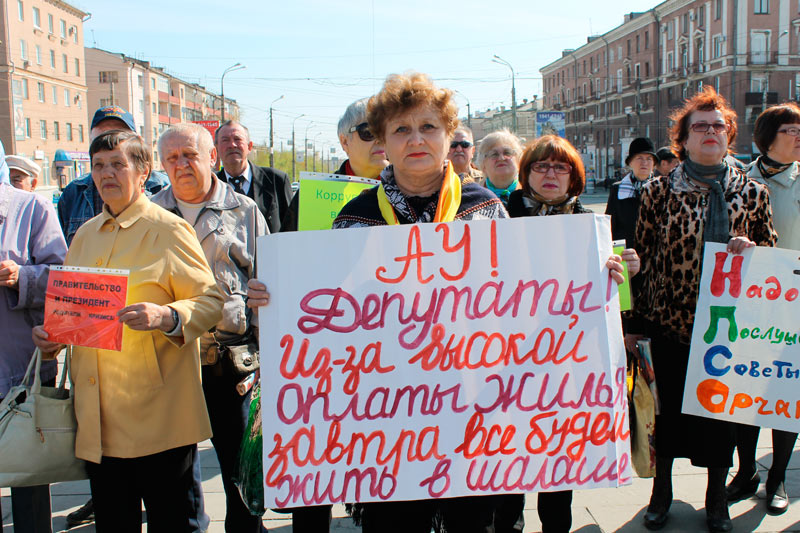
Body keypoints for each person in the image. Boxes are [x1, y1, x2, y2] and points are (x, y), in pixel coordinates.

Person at [247, 72, 629, 533]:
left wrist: (594, 277)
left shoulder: (485, 208)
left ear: (449, 137)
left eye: (429, 127)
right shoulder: (355, 218)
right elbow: (330, 315)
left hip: (475, 406)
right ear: (384, 142)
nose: (416, 140)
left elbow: (528, 294)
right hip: (385, 418)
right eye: (402, 129)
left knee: (473, 523)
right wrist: (278, 300)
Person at [32, 130, 224, 532]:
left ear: (143, 172)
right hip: (100, 420)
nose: (107, 174)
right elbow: (76, 315)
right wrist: (52, 341)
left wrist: (166, 315)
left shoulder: (169, 230)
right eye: (98, 166)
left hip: (159, 420)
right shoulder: (84, 235)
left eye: (118, 164)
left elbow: (210, 302)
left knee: (174, 524)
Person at [627, 87, 776, 533]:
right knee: (668, 415)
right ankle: (662, 492)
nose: (710, 132)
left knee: (720, 420)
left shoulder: (752, 193)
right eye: (700, 126)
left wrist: (752, 251)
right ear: (684, 139)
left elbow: (770, 257)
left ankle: (716, 498)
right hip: (669, 324)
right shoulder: (658, 191)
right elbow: (643, 258)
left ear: (728, 135)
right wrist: (634, 324)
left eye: (718, 126)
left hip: (726, 332)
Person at [506, 135, 640, 533]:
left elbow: (617, 304)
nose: (550, 174)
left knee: (558, 465)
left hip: (564, 367)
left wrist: (624, 276)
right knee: (504, 460)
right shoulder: (497, 216)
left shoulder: (591, 224)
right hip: (505, 358)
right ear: (526, 173)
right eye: (540, 166)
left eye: (559, 167)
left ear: (574, 176)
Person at [151, 123, 269, 532]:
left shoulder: (244, 210)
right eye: (172, 158)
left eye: (190, 155)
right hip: (168, 361)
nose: (182, 164)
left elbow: (269, 282)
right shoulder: (150, 214)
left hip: (230, 363)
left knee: (240, 473)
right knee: (175, 475)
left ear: (212, 157)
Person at [727, 102, 800, 514]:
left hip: (794, 304)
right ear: (768, 136)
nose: (799, 136)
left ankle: (777, 480)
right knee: (744, 392)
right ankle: (745, 472)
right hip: (747, 304)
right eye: (792, 129)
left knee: (786, 394)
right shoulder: (740, 180)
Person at [0, 154, 67, 533]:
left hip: (20, 367)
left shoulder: (30, 208)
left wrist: (21, 276)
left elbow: (64, 276)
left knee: (27, 481)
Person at [56, 106, 169, 247]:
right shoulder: (74, 194)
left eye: (118, 135)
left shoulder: (164, 188)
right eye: (102, 137)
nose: (109, 142)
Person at [280, 97, 390, 233]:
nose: (380, 140)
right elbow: (287, 249)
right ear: (344, 141)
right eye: (368, 132)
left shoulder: (411, 191)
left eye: (386, 131)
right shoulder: (311, 196)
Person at [215, 121, 292, 233]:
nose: (232, 145)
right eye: (225, 140)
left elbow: (291, 227)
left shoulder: (277, 180)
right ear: (216, 148)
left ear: (249, 146)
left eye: (237, 139)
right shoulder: (211, 185)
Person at [605, 137, 657, 250]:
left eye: (649, 159)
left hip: (653, 256)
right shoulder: (618, 189)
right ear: (630, 162)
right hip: (625, 254)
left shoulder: (661, 189)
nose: (645, 163)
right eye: (639, 158)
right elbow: (610, 226)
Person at [477, 128, 523, 207]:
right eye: (494, 154)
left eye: (507, 153)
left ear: (518, 160)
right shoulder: (473, 198)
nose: (501, 158)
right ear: (483, 164)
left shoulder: (531, 194)